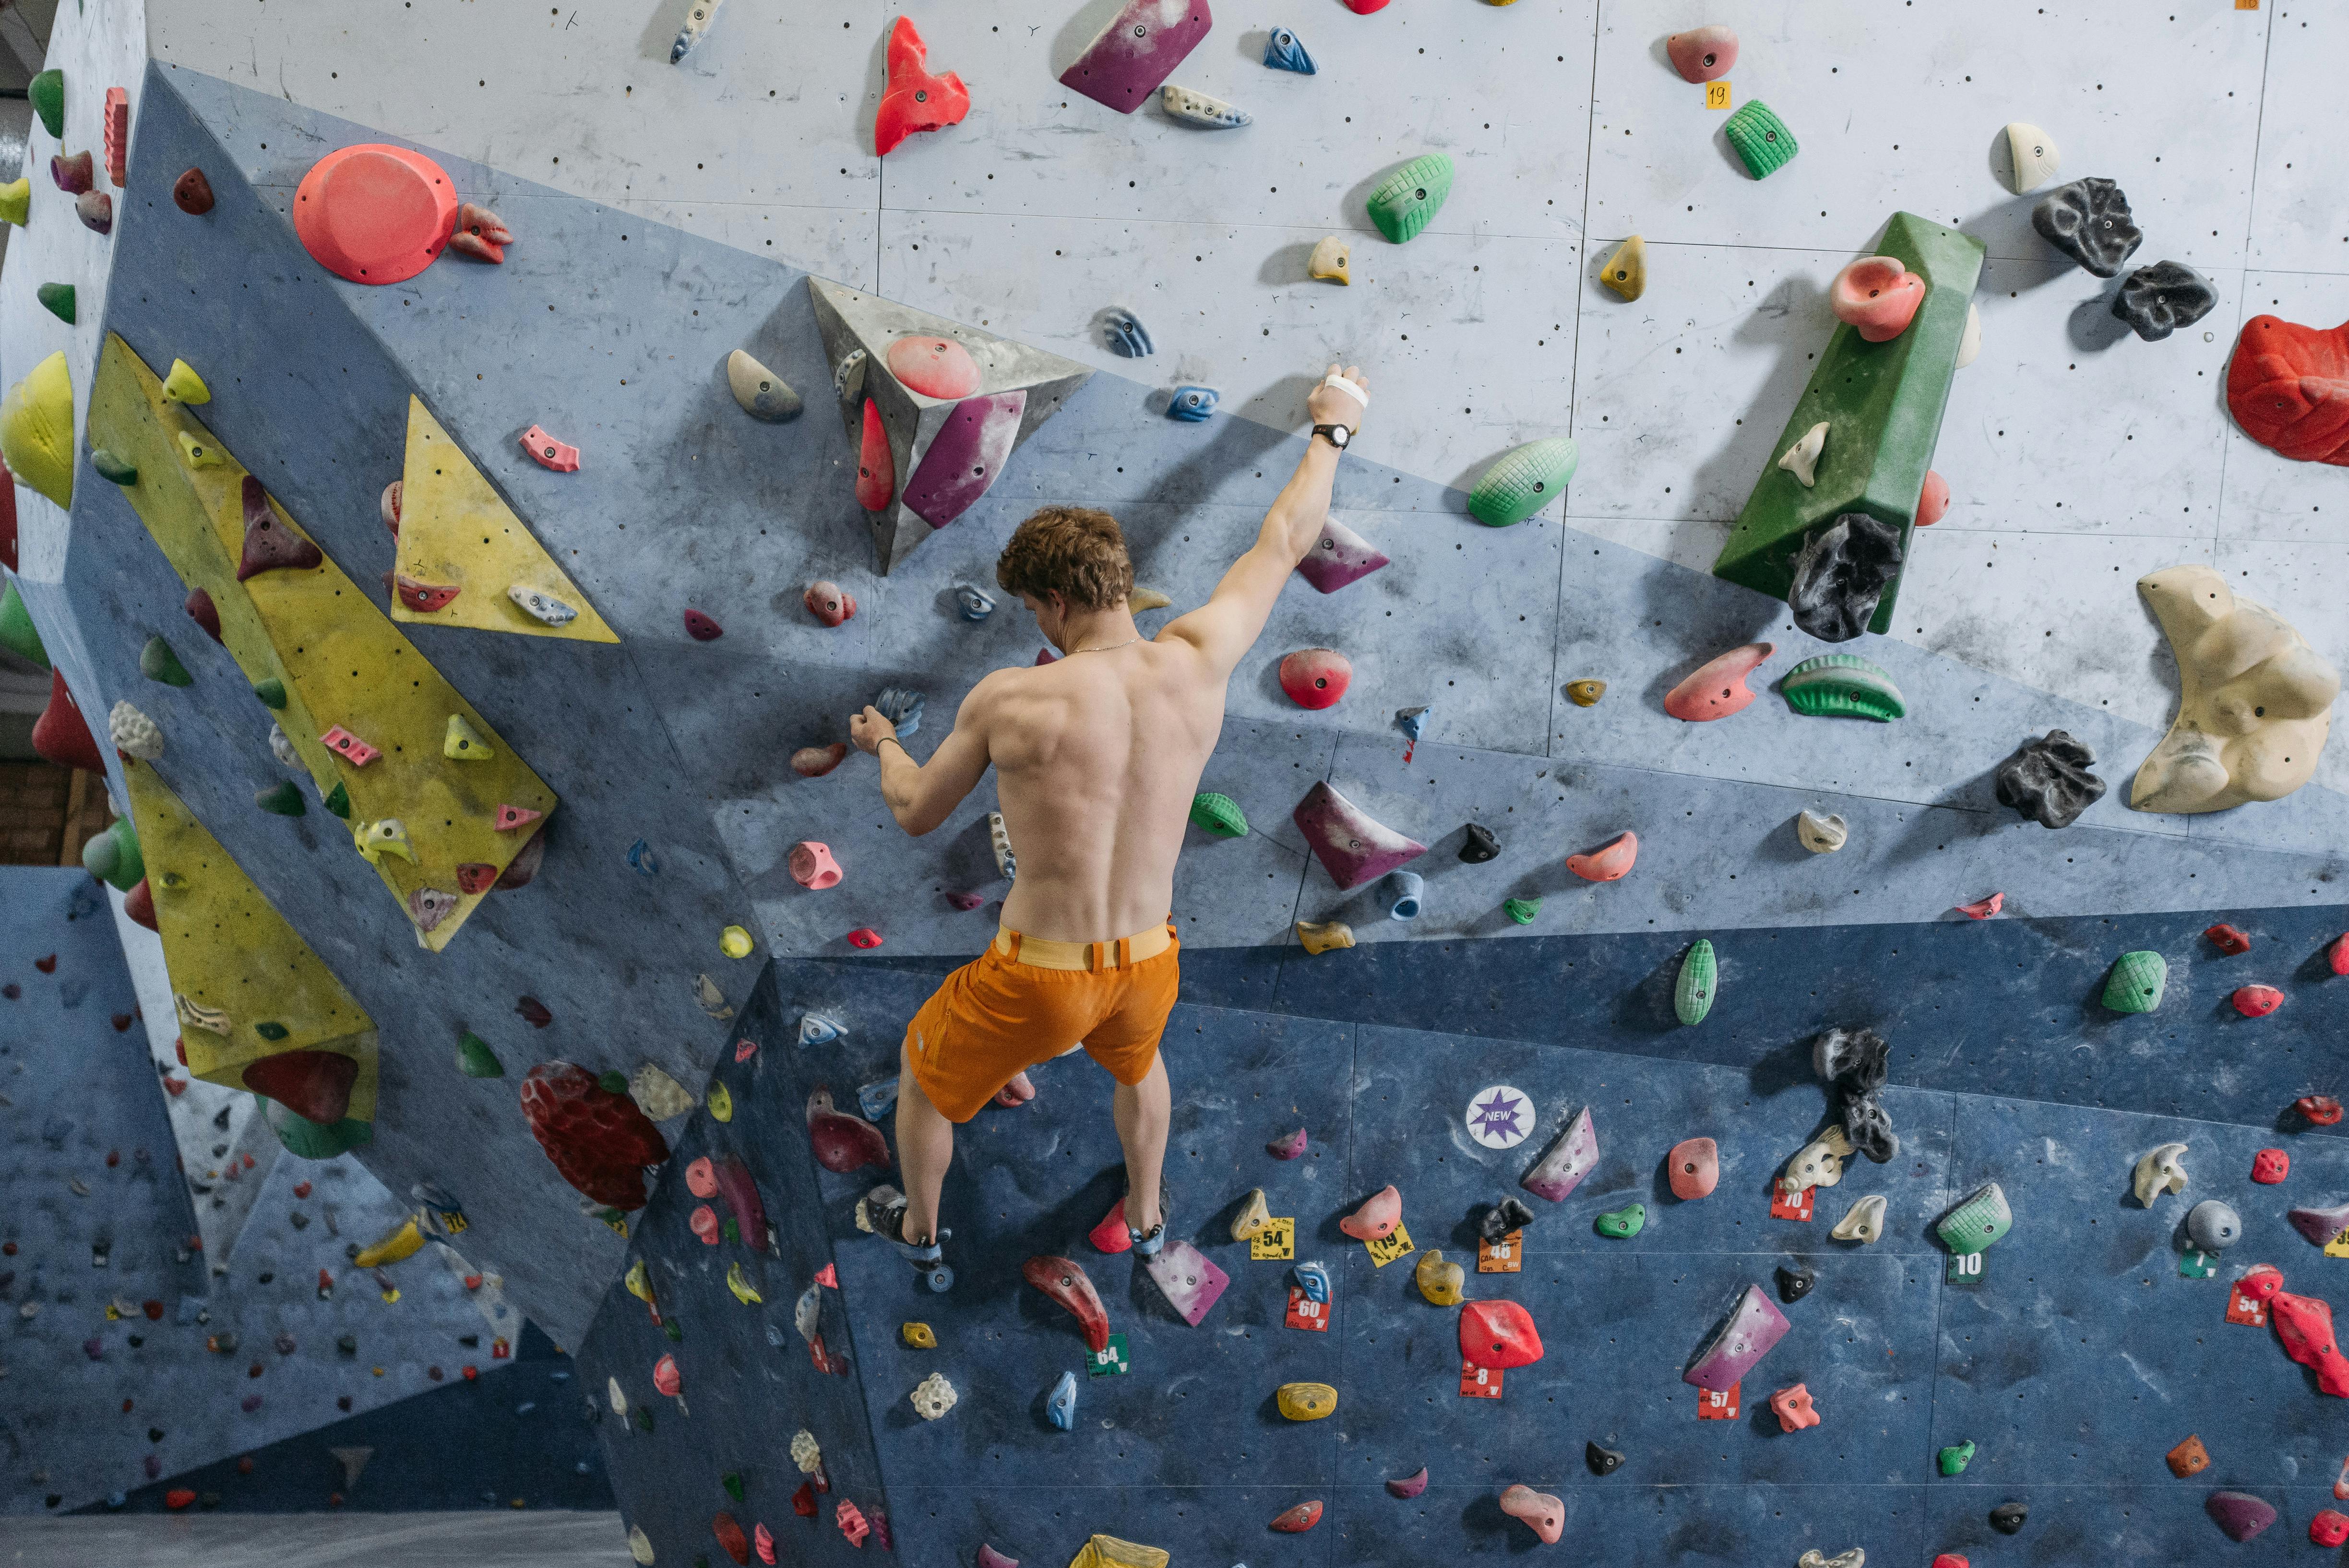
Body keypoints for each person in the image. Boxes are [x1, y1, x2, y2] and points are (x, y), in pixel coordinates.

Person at [847, 362, 1372, 1276]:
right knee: (1138, 1068)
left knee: (924, 1086)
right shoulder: (1199, 659)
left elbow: (916, 812)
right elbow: (1284, 543)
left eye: (1032, 610)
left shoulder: (1014, 698)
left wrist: (882, 742)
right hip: (1147, 963)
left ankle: (921, 1233)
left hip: (1038, 981)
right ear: (1120, 586)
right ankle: (1147, 1213)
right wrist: (1334, 426)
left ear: (1052, 602)